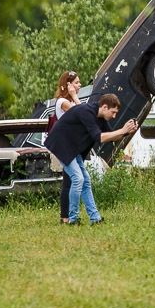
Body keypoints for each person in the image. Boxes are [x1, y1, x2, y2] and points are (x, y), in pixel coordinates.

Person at [44, 93, 137, 226]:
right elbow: (99, 137)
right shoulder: (87, 112)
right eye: (113, 112)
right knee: (78, 179)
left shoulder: (100, 117)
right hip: (61, 145)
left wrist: (127, 131)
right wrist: (122, 131)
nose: (114, 116)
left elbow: (111, 136)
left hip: (73, 147)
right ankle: (73, 219)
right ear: (105, 107)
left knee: (85, 181)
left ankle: (95, 218)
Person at [53, 71, 82, 224]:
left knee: (69, 180)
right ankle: (66, 217)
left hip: (71, 143)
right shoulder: (63, 102)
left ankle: (66, 216)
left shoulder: (68, 101)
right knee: (71, 181)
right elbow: (82, 114)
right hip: (66, 145)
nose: (80, 85)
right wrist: (74, 96)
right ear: (68, 85)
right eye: (77, 82)